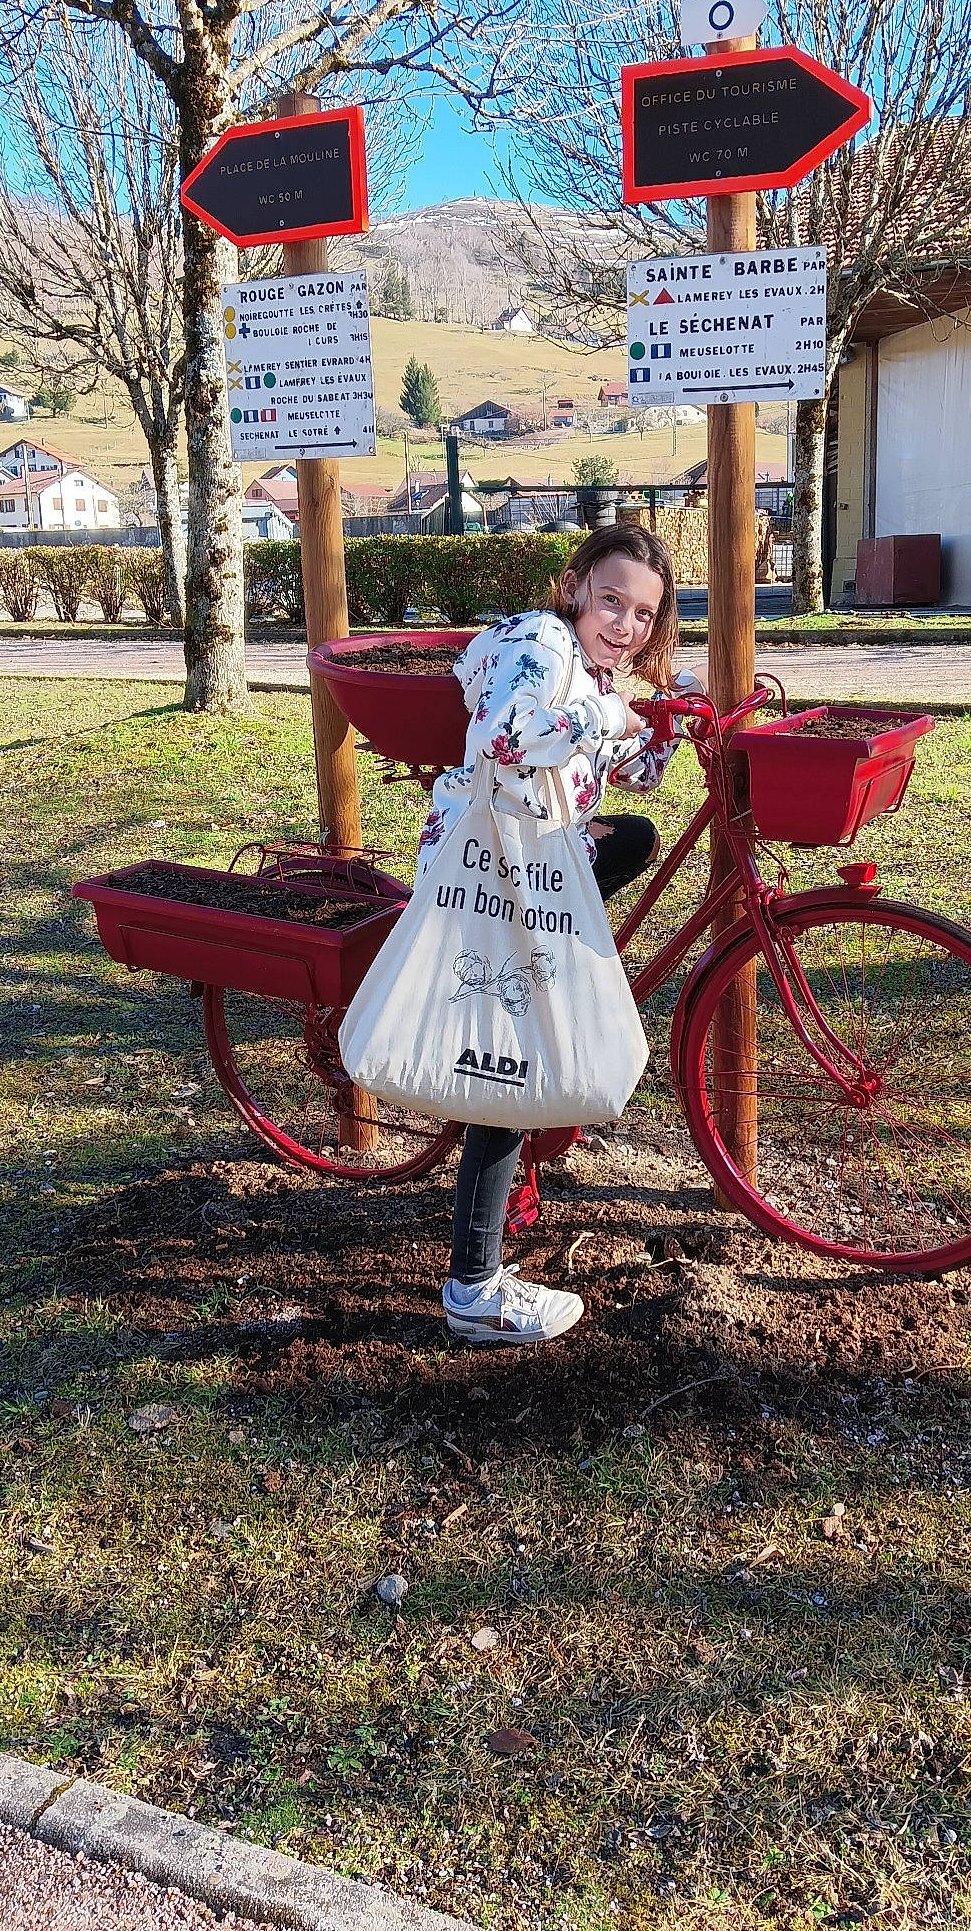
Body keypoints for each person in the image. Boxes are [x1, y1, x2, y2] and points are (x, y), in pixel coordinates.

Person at [415, 523, 682, 1346]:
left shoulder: (597, 666)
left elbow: (618, 766)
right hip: (490, 873)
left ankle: (548, 995)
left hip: (538, 859)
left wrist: (660, 725)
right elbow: (507, 738)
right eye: (612, 601)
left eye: (644, 615)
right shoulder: (539, 643)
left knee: (631, 835)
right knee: (514, 1062)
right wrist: (608, 712)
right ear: (573, 588)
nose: (627, 626)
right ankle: (474, 1290)